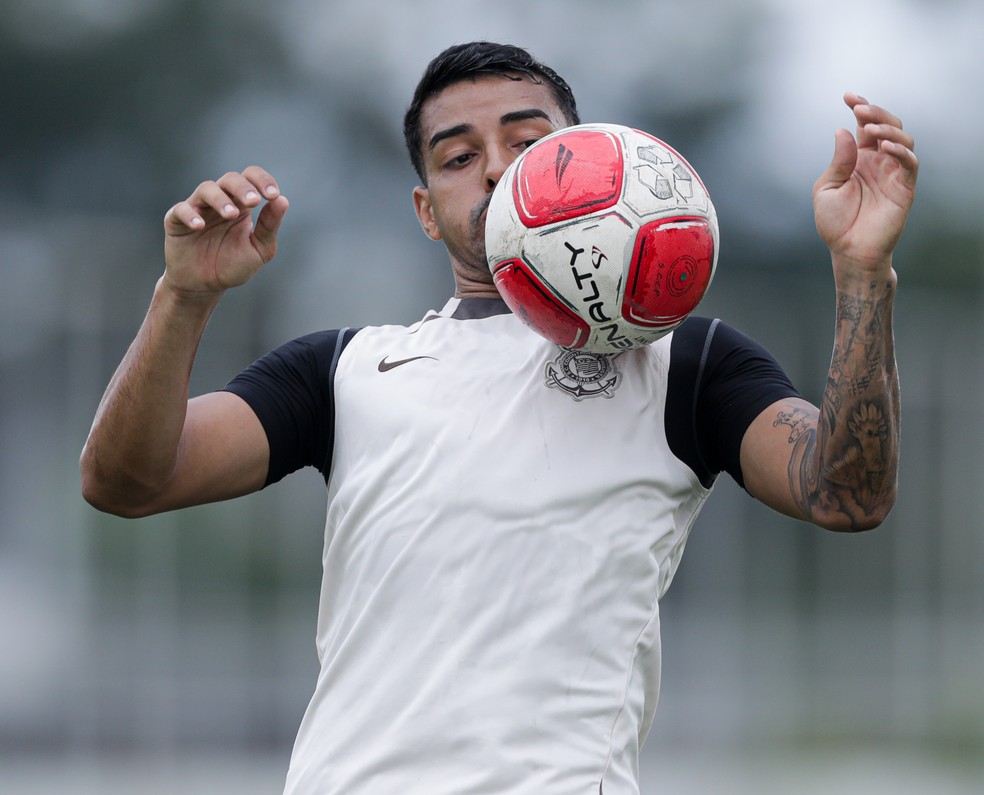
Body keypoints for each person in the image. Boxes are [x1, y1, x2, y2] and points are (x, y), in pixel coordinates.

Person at [80, 41, 917, 794]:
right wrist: (184, 295)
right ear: (423, 208)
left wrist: (862, 273)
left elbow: (847, 495)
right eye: (458, 155)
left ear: (592, 157)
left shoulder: (684, 364)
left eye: (526, 141)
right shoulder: (346, 369)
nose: (494, 167)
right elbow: (125, 481)